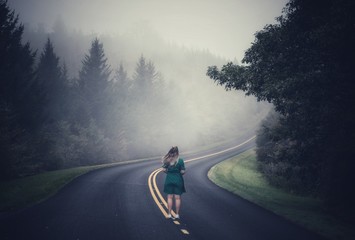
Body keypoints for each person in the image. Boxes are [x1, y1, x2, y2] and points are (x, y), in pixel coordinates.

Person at [162, 146, 186, 219]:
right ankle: (177, 214)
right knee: (177, 198)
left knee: (169, 197)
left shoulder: (168, 160)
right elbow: (183, 171)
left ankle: (169, 214)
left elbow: (163, 169)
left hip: (169, 179)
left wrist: (169, 173)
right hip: (178, 180)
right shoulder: (180, 160)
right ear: (177, 152)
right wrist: (179, 173)